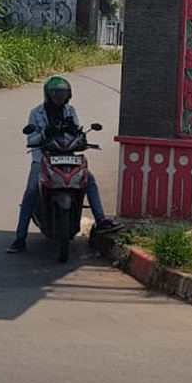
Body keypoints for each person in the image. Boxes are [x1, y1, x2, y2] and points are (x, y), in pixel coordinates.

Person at [8, 76, 119, 253]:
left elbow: (78, 134)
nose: (59, 97)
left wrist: (77, 133)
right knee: (31, 190)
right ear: (48, 94)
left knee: (89, 180)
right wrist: (45, 133)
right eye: (56, 93)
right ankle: (20, 238)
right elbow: (31, 139)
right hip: (44, 158)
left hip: (67, 155)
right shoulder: (36, 113)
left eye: (63, 93)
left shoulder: (70, 111)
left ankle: (101, 220)